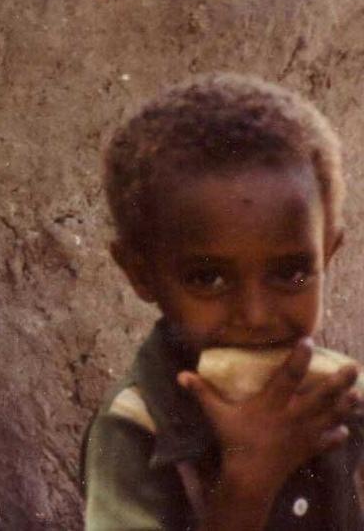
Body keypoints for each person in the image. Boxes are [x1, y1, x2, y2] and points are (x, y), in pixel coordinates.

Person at [82, 72, 364, 530]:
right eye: (207, 278)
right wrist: (249, 483)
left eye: (291, 274)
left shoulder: (345, 398)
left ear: (328, 254)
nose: (254, 315)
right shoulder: (136, 430)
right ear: (141, 274)